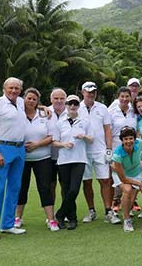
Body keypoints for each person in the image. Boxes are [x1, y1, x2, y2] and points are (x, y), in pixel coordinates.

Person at [0, 77, 28, 240]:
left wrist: (44, 108)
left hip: (19, 149)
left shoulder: (21, 102)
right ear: (4, 88)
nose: (14, 91)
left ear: (20, 90)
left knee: (15, 187)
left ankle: (8, 224)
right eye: (11, 88)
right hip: (1, 148)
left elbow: (34, 107)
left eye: (16, 88)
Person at [15, 88, 58, 232]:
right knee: (22, 188)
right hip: (23, 158)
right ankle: (17, 218)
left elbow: (52, 136)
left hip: (42, 157)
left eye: (34, 99)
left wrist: (36, 145)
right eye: (29, 98)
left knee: (45, 188)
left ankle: (51, 220)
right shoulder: (18, 112)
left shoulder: (45, 115)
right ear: (24, 99)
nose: (31, 101)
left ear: (38, 101)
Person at [79, 81, 119, 225]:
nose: (91, 94)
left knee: (105, 180)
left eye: (93, 92)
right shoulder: (76, 107)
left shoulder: (102, 108)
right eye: (88, 91)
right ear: (83, 92)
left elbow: (107, 129)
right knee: (87, 181)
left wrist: (109, 149)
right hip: (82, 152)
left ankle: (109, 211)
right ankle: (91, 210)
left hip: (100, 150)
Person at [53, 94, 93, 230]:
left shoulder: (85, 121)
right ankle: (72, 218)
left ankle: (60, 214)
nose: (72, 106)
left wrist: (84, 136)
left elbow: (91, 139)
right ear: (66, 105)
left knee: (74, 189)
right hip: (64, 160)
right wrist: (64, 144)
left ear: (78, 106)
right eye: (70, 103)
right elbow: (54, 142)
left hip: (79, 159)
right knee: (66, 190)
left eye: (75, 104)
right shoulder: (60, 123)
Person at [109, 87, 138, 215]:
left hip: (131, 148)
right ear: (118, 97)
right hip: (116, 148)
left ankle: (129, 204)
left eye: (127, 96)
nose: (125, 99)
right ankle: (115, 204)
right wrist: (108, 149)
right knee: (117, 177)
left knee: (130, 175)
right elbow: (108, 131)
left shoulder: (134, 110)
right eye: (122, 96)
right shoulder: (111, 111)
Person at [111, 126, 142, 232]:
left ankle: (124, 212)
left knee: (131, 198)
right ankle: (127, 220)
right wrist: (139, 184)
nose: (129, 141)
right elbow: (124, 179)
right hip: (121, 174)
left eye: (131, 138)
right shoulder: (117, 155)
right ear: (122, 140)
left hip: (136, 172)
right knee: (127, 190)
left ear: (134, 139)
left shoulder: (138, 143)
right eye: (125, 139)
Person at [47, 89, 67, 204]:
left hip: (66, 155)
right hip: (49, 156)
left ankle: (65, 212)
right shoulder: (45, 111)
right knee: (51, 185)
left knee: (65, 185)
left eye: (61, 98)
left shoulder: (71, 112)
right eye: (56, 98)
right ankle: (51, 214)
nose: (59, 101)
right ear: (51, 99)